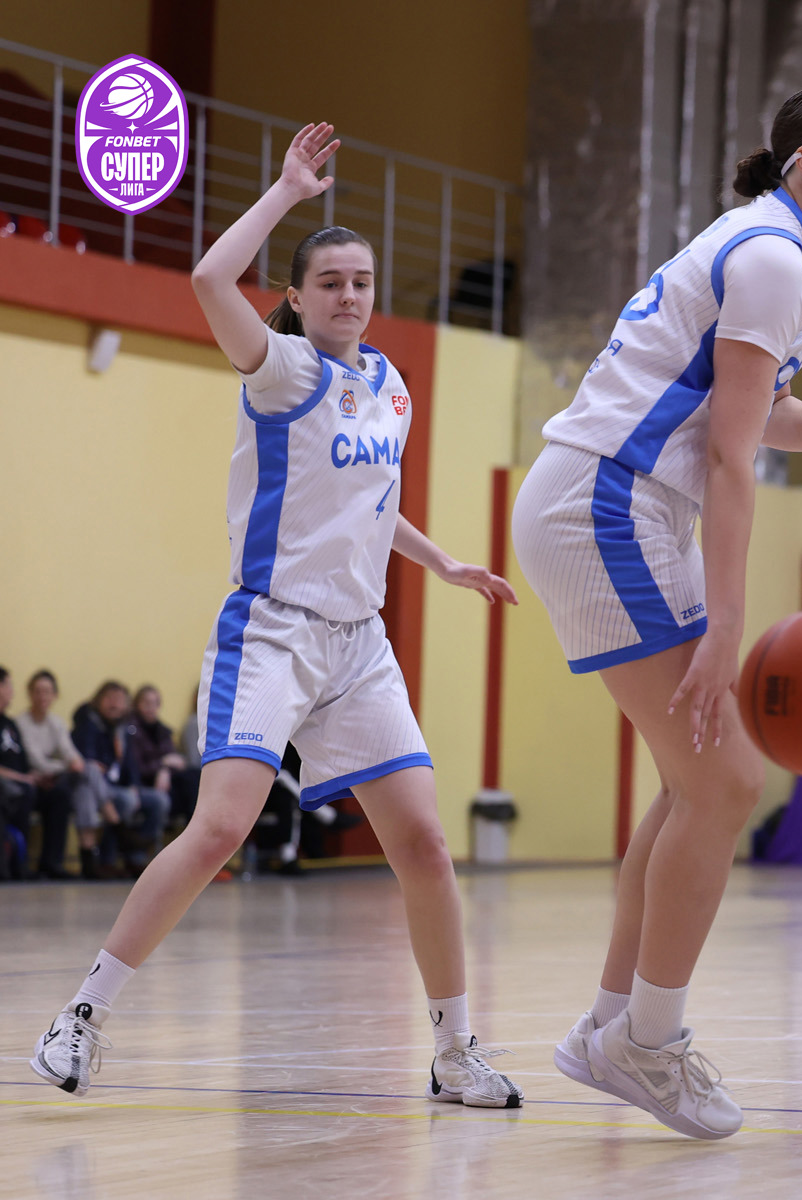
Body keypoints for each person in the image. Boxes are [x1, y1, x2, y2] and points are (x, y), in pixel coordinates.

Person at [30, 123, 523, 1109]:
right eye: (330, 281)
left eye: (362, 281)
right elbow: (210, 279)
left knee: (425, 846)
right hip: (273, 632)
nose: (350, 295)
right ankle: (79, 1016)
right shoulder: (282, 368)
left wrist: (443, 561)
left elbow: (370, 504)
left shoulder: (390, 385)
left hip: (359, 645)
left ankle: (454, 1052)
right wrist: (288, 191)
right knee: (219, 828)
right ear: (297, 296)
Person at [514, 83, 802, 1140]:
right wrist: (729, 620)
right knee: (727, 780)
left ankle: (611, 1027)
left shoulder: (783, 254)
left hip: (628, 505)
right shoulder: (771, 256)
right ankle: (646, 1043)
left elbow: (761, 417)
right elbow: (734, 458)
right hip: (609, 502)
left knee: (695, 784)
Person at [17, 670, 108, 878]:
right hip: (33, 782)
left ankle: (53, 862)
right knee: (88, 773)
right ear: (30, 694)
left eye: (47, 691)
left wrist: (77, 763)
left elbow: (70, 753)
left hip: (54, 781)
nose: (42, 696)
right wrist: (69, 766)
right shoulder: (21, 723)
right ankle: (111, 818)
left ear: (55, 695)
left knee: (79, 786)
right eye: (38, 691)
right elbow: (36, 761)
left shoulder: (56, 722)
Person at [72, 681, 168, 874]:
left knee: (159, 800)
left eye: (119, 700)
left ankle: (136, 858)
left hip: (119, 786)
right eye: (109, 699)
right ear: (98, 700)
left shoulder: (124, 728)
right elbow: (89, 762)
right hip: (95, 786)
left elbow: (130, 762)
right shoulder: (88, 723)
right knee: (125, 800)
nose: (114, 704)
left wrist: (134, 785)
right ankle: (108, 859)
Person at [0, 666, 75, 880]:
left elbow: (24, 761)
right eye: (8, 685)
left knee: (59, 794)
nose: (12, 690)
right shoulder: (21, 722)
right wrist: (24, 778)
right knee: (24, 792)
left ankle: (52, 863)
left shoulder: (9, 724)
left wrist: (36, 777)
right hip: (11, 785)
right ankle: (19, 865)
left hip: (25, 781)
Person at [129, 685, 197, 831]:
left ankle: (195, 830)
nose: (151, 708)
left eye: (155, 703)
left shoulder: (162, 731)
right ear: (136, 704)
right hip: (144, 784)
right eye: (146, 703)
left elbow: (177, 762)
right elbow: (135, 767)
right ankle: (194, 831)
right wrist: (162, 764)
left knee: (194, 776)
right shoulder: (130, 731)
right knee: (188, 787)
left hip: (165, 783)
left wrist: (164, 769)